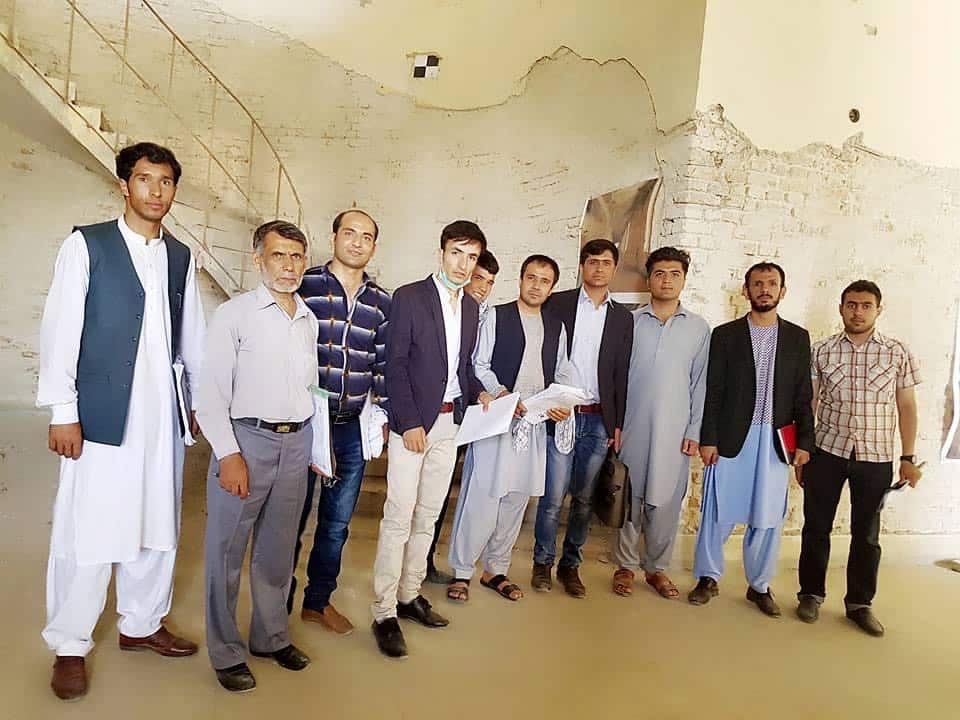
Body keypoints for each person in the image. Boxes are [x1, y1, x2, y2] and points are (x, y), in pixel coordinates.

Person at [38, 142, 204, 701]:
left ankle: (142, 622)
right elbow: (61, 330)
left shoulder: (180, 256)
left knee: (158, 522)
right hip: (102, 415)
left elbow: (192, 336)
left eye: (166, 181)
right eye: (145, 179)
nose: (156, 191)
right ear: (123, 186)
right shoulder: (87, 245)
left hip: (162, 419)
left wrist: (195, 403)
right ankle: (69, 644)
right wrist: (64, 411)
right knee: (89, 528)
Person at [198, 221, 318, 692]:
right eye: (277, 256)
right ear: (258, 260)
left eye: (296, 256)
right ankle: (226, 652)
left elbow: (309, 388)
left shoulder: (307, 319)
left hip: (297, 443)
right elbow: (210, 395)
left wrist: (317, 444)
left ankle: (270, 638)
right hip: (246, 441)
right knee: (226, 552)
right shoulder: (234, 315)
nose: (288, 266)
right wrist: (229, 454)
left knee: (277, 550)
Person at [370, 220, 494, 659]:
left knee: (428, 516)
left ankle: (409, 595)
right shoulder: (410, 297)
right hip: (414, 425)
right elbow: (395, 364)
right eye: (457, 253)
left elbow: (460, 368)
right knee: (398, 517)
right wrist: (407, 422)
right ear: (441, 252)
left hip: (449, 425)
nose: (463, 264)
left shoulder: (473, 307)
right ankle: (383, 611)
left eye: (472, 257)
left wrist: (480, 392)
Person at [796, 280, 921, 636]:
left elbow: (907, 406)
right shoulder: (822, 351)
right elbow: (809, 404)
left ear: (879, 309)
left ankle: (859, 604)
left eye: (866, 305)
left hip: (875, 457)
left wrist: (908, 457)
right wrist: (803, 451)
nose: (858, 311)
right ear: (841, 308)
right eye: (851, 304)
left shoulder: (897, 352)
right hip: (827, 452)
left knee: (866, 534)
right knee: (816, 527)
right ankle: (810, 594)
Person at [689, 262, 814, 618]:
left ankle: (759, 585)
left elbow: (803, 394)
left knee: (767, 515)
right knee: (717, 511)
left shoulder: (797, 338)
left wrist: (805, 442)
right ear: (746, 291)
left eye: (771, 283)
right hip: (731, 437)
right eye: (757, 284)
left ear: (782, 291)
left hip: (775, 439)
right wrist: (708, 438)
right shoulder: (725, 335)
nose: (764, 289)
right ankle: (708, 577)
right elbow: (713, 391)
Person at [446, 254, 572, 603]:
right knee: (482, 497)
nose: (536, 286)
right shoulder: (497, 316)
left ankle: (495, 569)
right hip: (497, 417)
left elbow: (562, 371)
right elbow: (478, 364)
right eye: (531, 277)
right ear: (520, 279)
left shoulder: (555, 326)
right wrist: (503, 393)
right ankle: (462, 571)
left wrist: (561, 402)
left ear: (552, 288)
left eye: (544, 281)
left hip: (533, 424)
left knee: (516, 498)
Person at [289, 209, 391, 635]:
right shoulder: (304, 284)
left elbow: (381, 363)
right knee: (291, 518)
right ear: (333, 237)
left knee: (336, 524)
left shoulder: (381, 301)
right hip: (303, 421)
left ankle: (317, 602)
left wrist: (382, 413)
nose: (357, 242)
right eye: (349, 233)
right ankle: (277, 605)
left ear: (374, 246)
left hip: (350, 425)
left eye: (366, 236)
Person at [531, 238, 633, 598]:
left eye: (606, 262)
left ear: (614, 268)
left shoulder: (622, 318)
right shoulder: (557, 304)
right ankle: (542, 562)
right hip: (562, 414)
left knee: (585, 499)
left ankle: (570, 566)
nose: (599, 268)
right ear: (582, 266)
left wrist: (617, 423)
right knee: (552, 497)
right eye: (592, 261)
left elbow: (621, 373)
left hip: (598, 419)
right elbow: (543, 355)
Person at [611, 247, 710, 599]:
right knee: (629, 497)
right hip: (632, 426)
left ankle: (657, 568)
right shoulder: (630, 323)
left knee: (666, 500)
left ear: (684, 279)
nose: (667, 280)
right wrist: (615, 425)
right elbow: (616, 377)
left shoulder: (698, 328)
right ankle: (625, 566)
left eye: (674, 274)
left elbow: (701, 384)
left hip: (675, 430)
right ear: (649, 279)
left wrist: (695, 430)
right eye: (660, 273)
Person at [425, 248, 499, 585]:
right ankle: (415, 562)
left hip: (473, 411)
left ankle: (427, 559)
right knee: (425, 494)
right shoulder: (445, 308)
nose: (482, 286)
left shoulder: (487, 315)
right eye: (479, 277)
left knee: (443, 491)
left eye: (490, 282)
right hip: (438, 408)